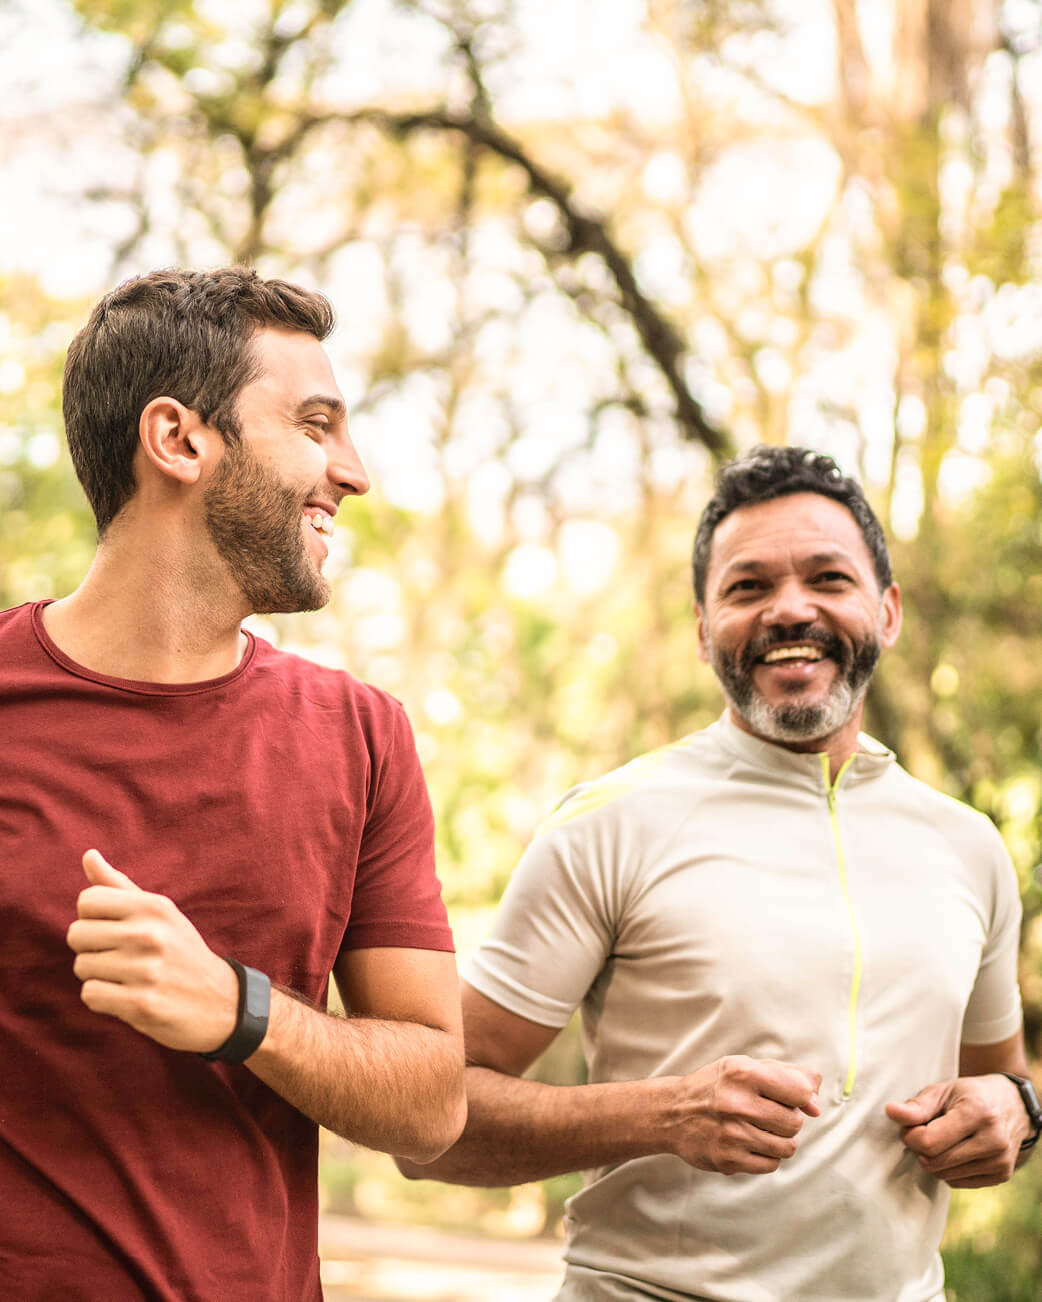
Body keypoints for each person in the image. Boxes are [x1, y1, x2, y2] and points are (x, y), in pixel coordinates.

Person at [400, 446, 1039, 1301]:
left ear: (887, 612)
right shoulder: (610, 824)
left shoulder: (968, 845)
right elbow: (426, 1125)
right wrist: (662, 1116)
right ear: (703, 632)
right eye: (747, 587)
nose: (790, 610)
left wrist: (1019, 1115)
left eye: (828, 578)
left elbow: (1006, 1079)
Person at [0, 266, 467, 1300]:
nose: (352, 471)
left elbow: (434, 1101)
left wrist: (240, 1011)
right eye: (314, 424)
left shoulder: (363, 737)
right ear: (179, 440)